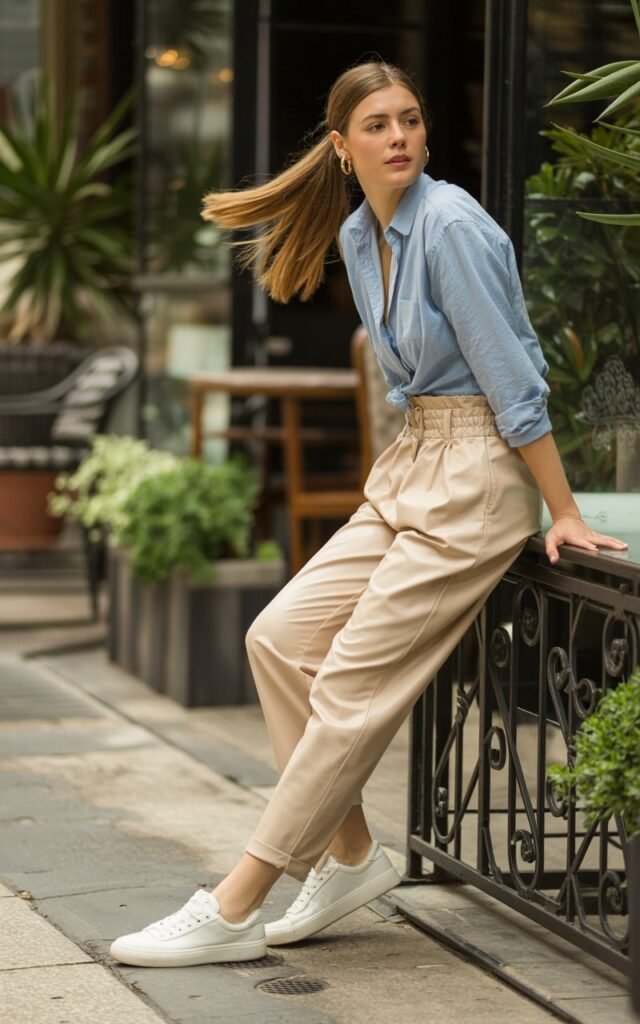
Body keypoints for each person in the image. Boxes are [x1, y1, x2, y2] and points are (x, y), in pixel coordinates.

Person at [110, 60, 628, 968]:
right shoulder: (362, 235)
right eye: (379, 125)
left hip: (478, 477)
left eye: (412, 120)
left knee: (349, 684)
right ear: (344, 148)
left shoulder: (452, 226)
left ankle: (236, 903)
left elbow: (513, 382)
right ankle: (350, 858)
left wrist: (562, 509)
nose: (400, 137)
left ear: (426, 134)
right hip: (413, 466)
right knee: (278, 639)